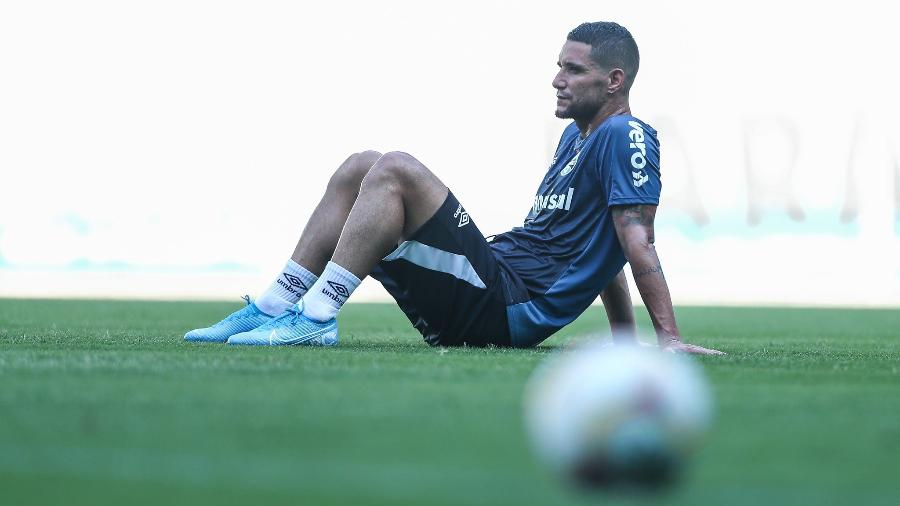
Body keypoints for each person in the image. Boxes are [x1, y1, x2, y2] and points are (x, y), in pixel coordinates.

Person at [184, 21, 724, 355]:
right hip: (492, 283)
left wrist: (666, 338)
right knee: (360, 166)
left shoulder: (626, 134)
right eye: (558, 67)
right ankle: (278, 305)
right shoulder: (575, 138)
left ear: (615, 80)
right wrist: (625, 344)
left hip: (508, 307)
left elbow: (634, 240)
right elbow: (594, 247)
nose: (557, 79)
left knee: (396, 167)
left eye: (574, 70)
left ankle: (318, 318)